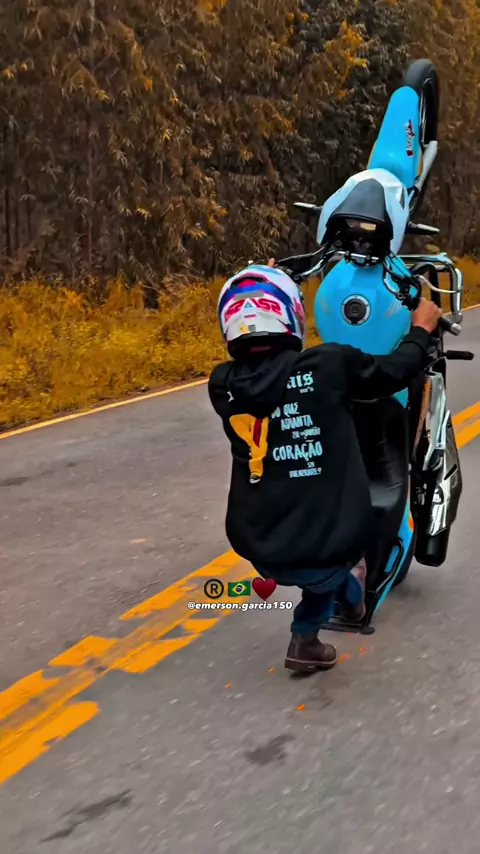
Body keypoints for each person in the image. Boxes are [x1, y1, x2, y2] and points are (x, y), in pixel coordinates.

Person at [208, 261, 442, 673]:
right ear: (293, 315)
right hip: (324, 542)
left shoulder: (223, 384)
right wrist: (420, 329)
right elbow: (395, 371)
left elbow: (271, 375)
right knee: (332, 567)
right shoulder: (330, 365)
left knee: (320, 561)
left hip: (258, 538)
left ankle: (346, 600)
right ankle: (307, 636)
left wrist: (264, 282)